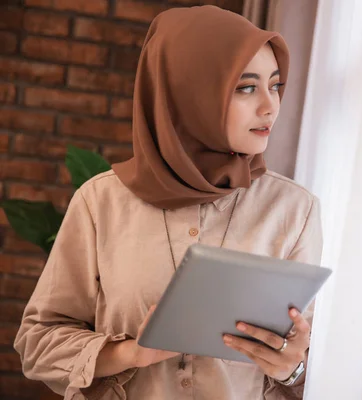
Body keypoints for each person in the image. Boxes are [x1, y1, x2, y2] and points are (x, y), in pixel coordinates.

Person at [14, 5, 322, 400]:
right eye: (246, 87)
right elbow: (38, 344)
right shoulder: (101, 201)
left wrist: (293, 368)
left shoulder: (295, 210)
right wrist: (130, 353)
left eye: (275, 85)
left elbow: (316, 361)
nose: (270, 105)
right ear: (189, 93)